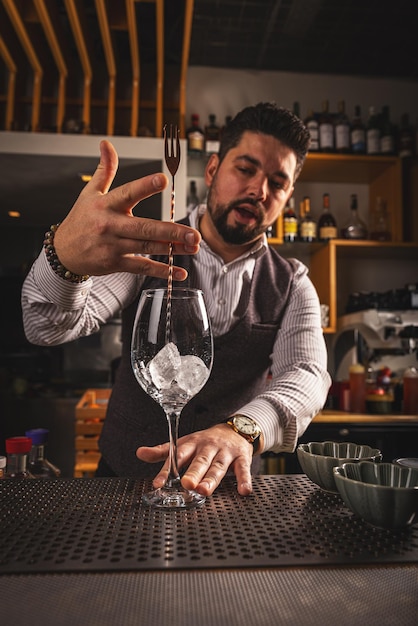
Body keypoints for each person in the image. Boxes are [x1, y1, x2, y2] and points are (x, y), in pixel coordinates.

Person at [22, 102, 331, 497]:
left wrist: (241, 428)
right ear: (213, 169)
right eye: (246, 169)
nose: (259, 190)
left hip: (220, 490)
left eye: (278, 181)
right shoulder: (149, 250)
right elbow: (45, 328)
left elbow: (305, 373)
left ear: (289, 194)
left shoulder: (292, 282)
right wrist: (63, 260)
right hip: (123, 481)